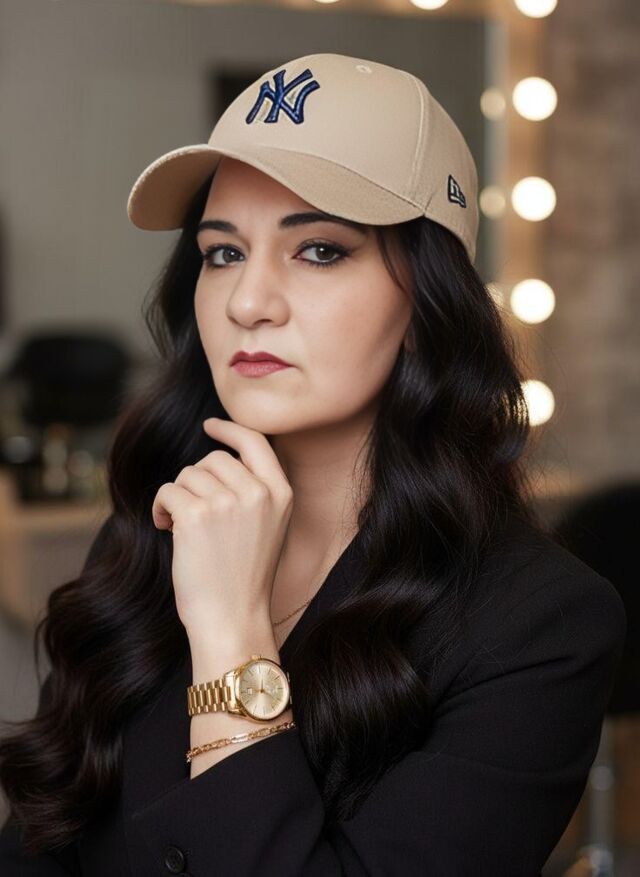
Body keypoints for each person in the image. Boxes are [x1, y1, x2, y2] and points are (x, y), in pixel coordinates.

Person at [0, 52, 626, 876]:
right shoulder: (157, 531)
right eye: (223, 252)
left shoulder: (540, 625)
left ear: (428, 298)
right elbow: (40, 838)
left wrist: (231, 633)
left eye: (321, 250)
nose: (247, 301)